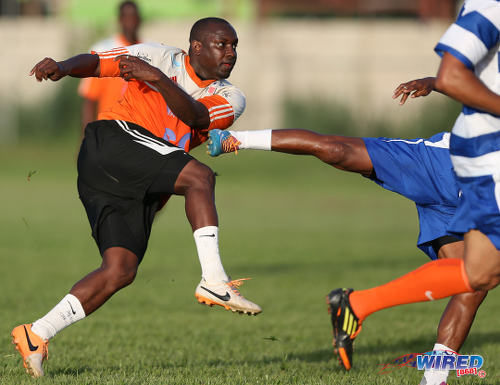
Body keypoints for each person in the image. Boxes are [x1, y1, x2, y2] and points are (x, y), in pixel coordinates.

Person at [208, 2, 499, 384]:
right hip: (450, 163)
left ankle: (429, 373)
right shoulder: (489, 6)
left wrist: (440, 81)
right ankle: (236, 140)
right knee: (339, 151)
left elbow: (474, 75)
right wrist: (443, 80)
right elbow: (457, 71)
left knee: (472, 279)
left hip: (482, 170)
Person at [11, 17, 261, 378]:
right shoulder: (158, 55)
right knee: (201, 176)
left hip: (138, 179)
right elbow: (100, 63)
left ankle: (36, 333)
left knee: (120, 270)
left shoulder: (231, 96)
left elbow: (196, 117)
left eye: (234, 45)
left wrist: (155, 80)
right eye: (222, 44)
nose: (231, 52)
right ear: (196, 47)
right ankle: (214, 280)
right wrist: (64, 66)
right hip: (112, 143)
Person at [78, 1, 141, 130]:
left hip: (138, 129)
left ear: (139, 20)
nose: (131, 22)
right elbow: (90, 99)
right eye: (127, 17)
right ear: (120, 20)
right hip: (109, 129)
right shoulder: (104, 50)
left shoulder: (146, 51)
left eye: (134, 17)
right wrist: (87, 137)